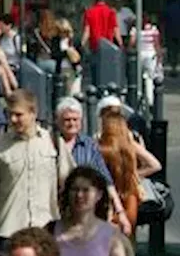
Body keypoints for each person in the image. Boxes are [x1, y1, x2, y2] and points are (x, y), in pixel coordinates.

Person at [0, 90, 73, 253]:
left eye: (18, 115)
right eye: (9, 114)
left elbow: (69, 183)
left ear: (33, 113)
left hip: (44, 229)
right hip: (9, 231)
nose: (13, 120)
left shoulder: (53, 143)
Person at [55, 99, 132, 237]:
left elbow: (105, 179)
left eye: (75, 119)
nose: (71, 123)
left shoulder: (89, 145)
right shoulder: (50, 143)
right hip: (56, 208)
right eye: (67, 119)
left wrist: (120, 212)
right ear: (58, 121)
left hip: (84, 207)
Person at [99, 110, 159, 235]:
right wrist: (134, 174)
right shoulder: (130, 146)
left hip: (106, 192)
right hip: (129, 190)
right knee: (128, 234)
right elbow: (155, 165)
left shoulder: (101, 148)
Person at [131, 15, 162, 108]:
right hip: (151, 55)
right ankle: (150, 100)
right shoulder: (153, 29)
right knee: (150, 78)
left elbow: (132, 42)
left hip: (140, 55)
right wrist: (159, 56)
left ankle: (138, 97)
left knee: (137, 78)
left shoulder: (135, 30)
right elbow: (156, 43)